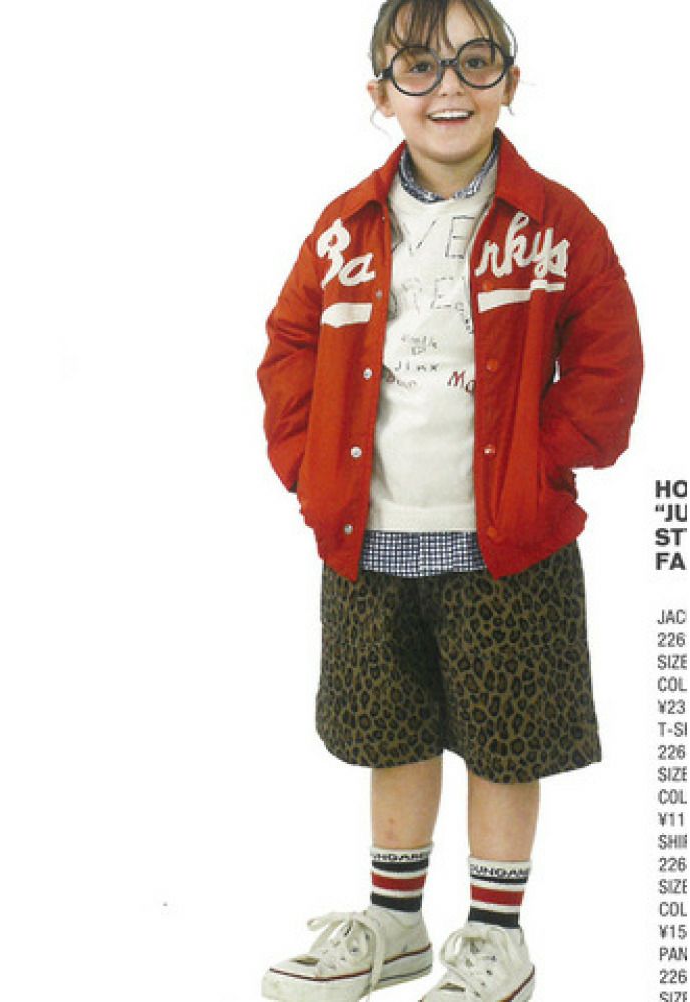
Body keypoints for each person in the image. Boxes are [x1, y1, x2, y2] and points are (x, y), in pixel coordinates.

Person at [256, 0, 642, 999]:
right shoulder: (344, 229)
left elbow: (607, 353)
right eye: (418, 67)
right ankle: (396, 925)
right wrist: (306, 463)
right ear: (379, 93)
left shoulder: (555, 224)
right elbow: (291, 343)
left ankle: (495, 935)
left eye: (475, 61)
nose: (448, 88)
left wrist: (547, 461)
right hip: (372, 535)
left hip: (508, 539)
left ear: (510, 80)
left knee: (506, 740)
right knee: (390, 730)